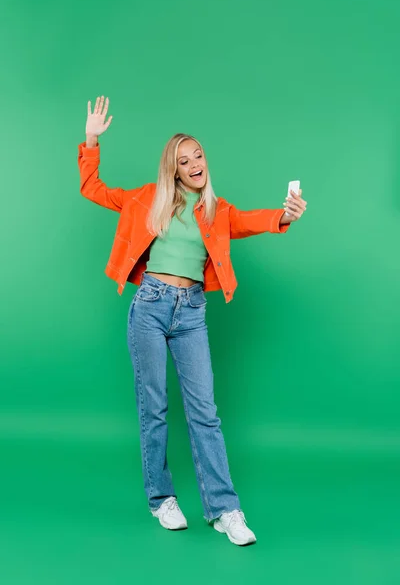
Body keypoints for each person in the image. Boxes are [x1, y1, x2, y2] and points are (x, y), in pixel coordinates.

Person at [78, 95, 307, 546]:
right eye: (184, 160)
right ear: (174, 169)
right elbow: (95, 189)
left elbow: (251, 220)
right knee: (154, 407)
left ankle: (225, 510)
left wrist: (284, 215)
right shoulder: (148, 198)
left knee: (205, 412)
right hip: (149, 305)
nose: (195, 163)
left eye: (198, 155)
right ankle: (161, 498)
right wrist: (91, 139)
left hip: (193, 312)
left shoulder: (215, 211)